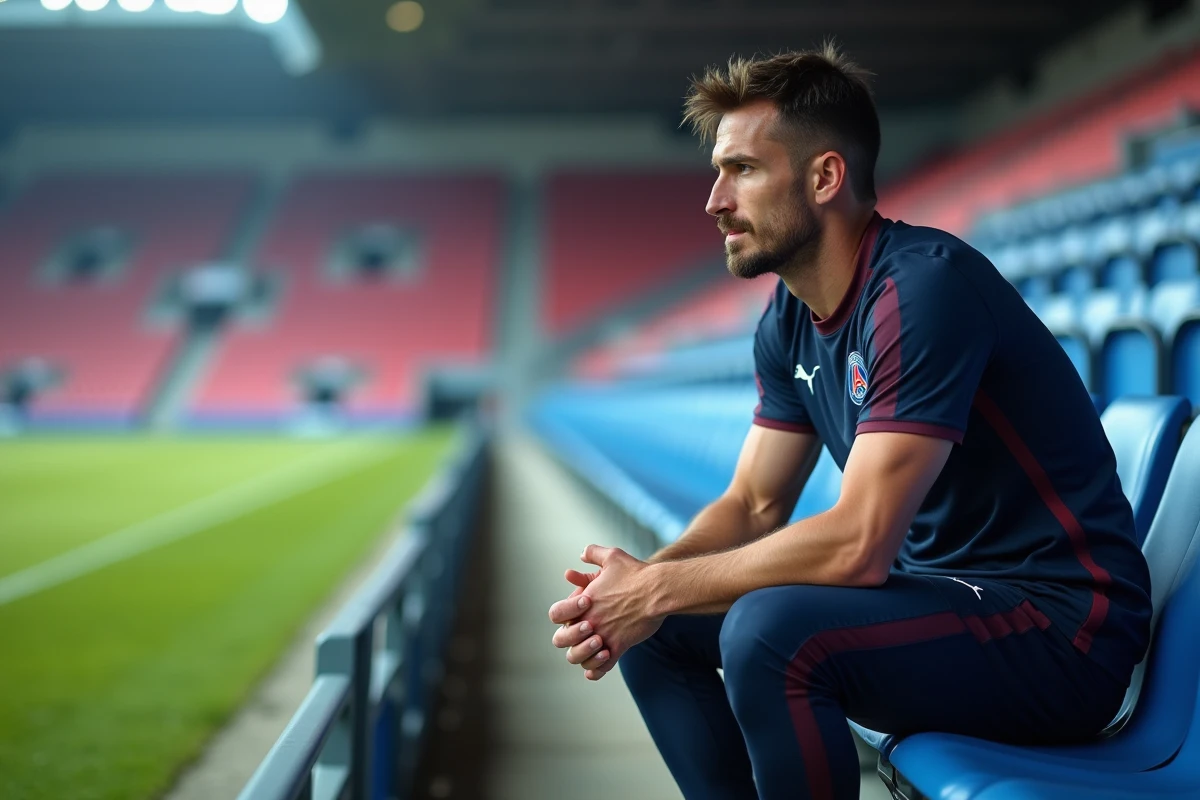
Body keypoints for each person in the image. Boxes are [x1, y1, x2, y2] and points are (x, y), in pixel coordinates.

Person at [547, 44, 1152, 800]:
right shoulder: (789, 316)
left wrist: (657, 588)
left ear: (825, 176)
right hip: (944, 598)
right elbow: (752, 504)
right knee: (660, 630)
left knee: (767, 632)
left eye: (741, 169)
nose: (713, 199)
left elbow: (861, 544)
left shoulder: (922, 288)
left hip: (1059, 632)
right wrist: (645, 587)